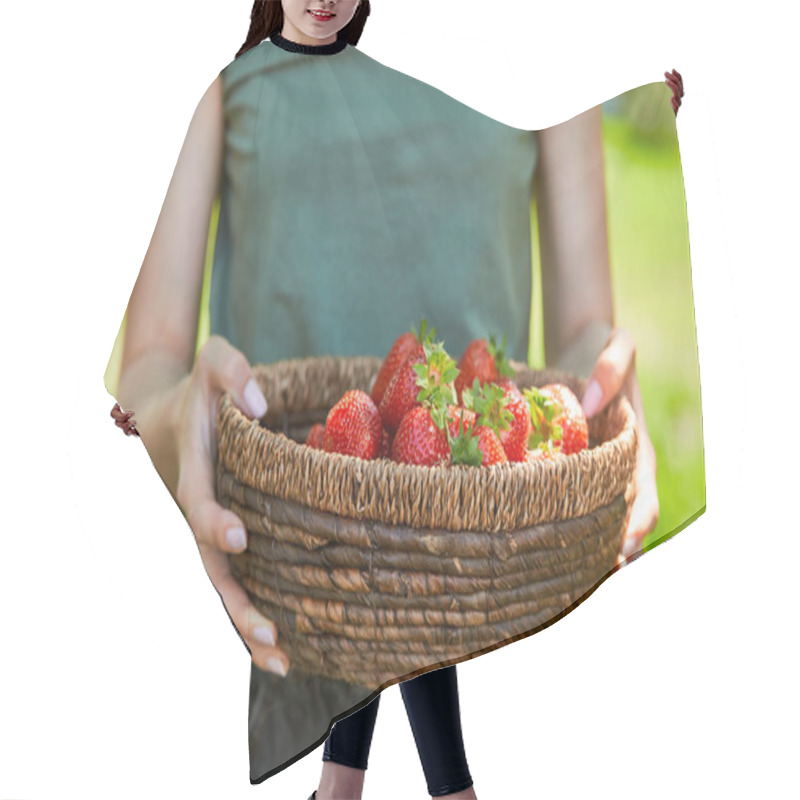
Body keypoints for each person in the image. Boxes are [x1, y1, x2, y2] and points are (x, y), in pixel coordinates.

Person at [112, 0, 659, 797]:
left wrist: (591, 396)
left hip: (467, 518)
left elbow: (583, 329)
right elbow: (151, 363)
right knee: (365, 596)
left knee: (394, 601)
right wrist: (176, 423)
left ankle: (368, 786)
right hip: (294, 505)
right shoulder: (226, 49)